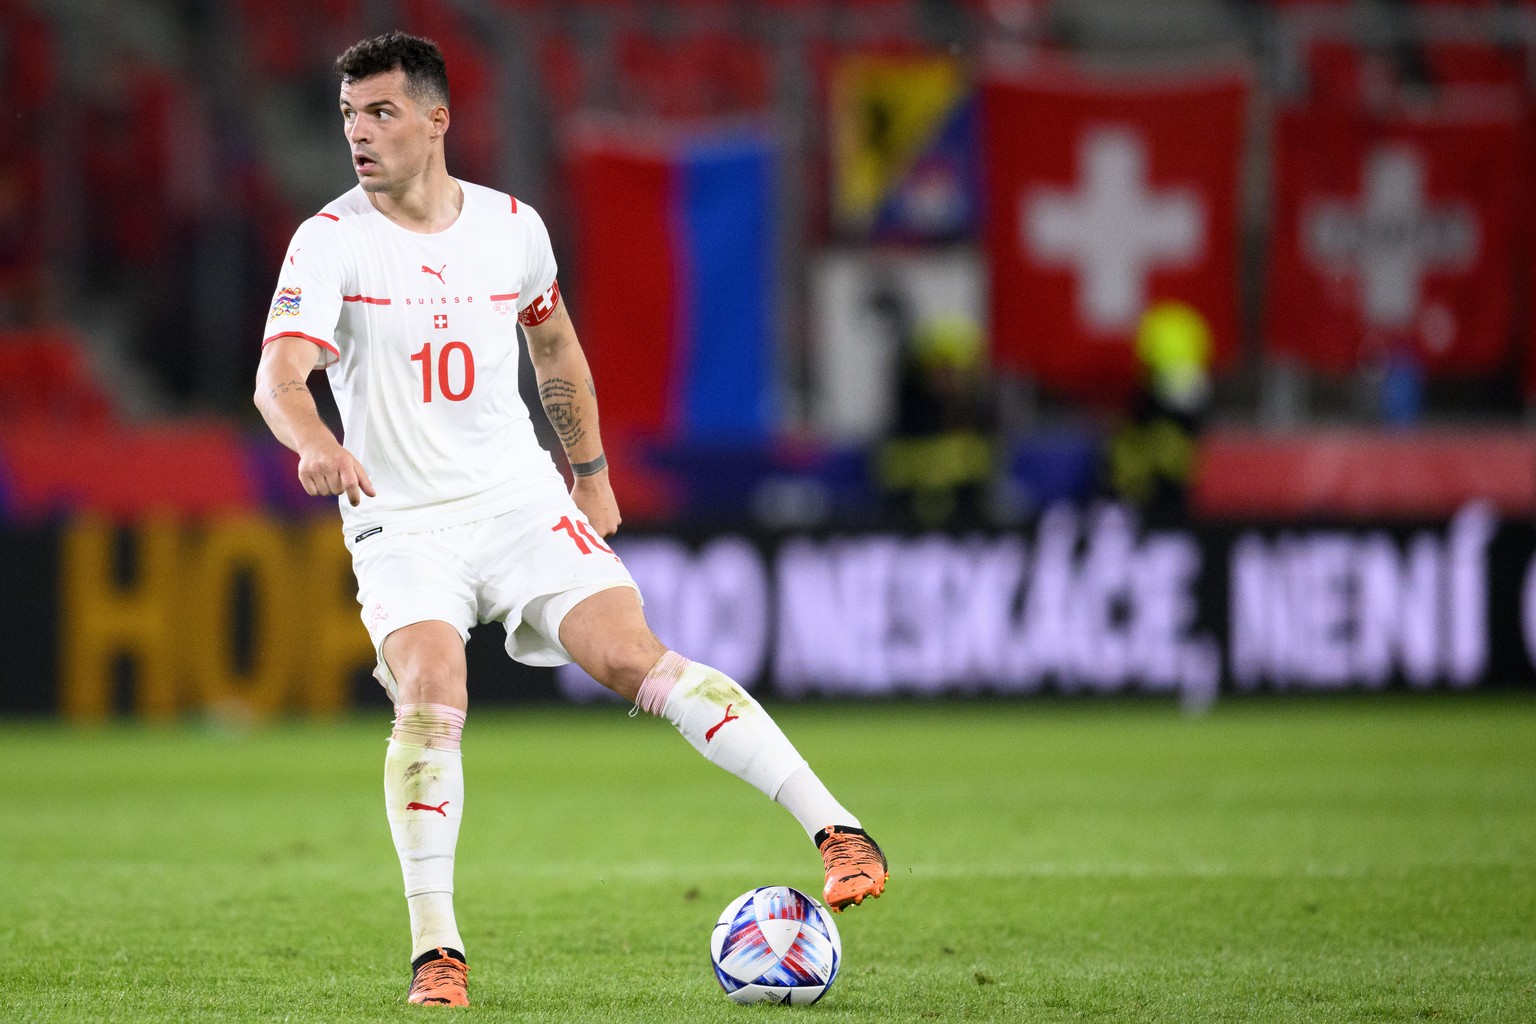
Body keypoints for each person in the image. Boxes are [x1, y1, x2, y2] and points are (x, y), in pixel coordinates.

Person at [253, 32, 887, 1009]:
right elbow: (279, 373)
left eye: (380, 112)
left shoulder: (512, 226)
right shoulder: (330, 239)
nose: (359, 134)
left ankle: (838, 828)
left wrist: (587, 469)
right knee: (430, 687)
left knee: (636, 658)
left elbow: (553, 346)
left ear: (436, 119)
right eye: (348, 115)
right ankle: (438, 951)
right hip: (401, 518)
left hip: (517, 500)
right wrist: (311, 440)